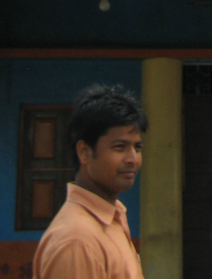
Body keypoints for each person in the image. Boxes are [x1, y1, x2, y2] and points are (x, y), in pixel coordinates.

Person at [34, 84, 148, 279]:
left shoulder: (112, 217)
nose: (133, 159)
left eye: (137, 148)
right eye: (120, 147)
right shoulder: (77, 241)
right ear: (84, 152)